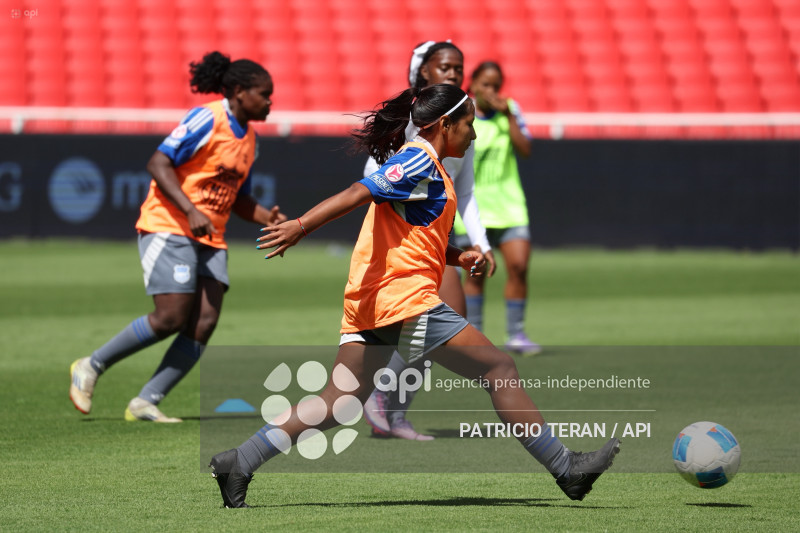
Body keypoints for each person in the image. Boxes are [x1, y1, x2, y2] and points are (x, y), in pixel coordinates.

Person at [209, 83, 620, 508]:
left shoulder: (431, 166)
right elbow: (358, 192)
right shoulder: (417, 159)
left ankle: (239, 461)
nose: (474, 133)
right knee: (499, 368)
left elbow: (415, 235)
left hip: (374, 300)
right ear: (445, 124)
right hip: (402, 298)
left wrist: (458, 257)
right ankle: (566, 469)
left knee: (338, 403)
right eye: (469, 124)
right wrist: (300, 226)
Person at [69, 51, 286, 422]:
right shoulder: (208, 118)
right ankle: (91, 365)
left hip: (210, 237)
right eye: (264, 94)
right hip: (169, 226)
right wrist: (190, 210)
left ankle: (146, 401)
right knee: (170, 316)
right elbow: (158, 163)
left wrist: (269, 218)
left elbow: (238, 198)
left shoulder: (251, 140)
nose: (270, 102)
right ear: (238, 91)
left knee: (204, 321)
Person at [362, 40, 496, 441]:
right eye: (445, 67)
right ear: (424, 72)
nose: (453, 73)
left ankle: (392, 409)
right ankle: (383, 397)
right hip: (405, 234)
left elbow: (466, 191)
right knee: (436, 323)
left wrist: (482, 243)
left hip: (438, 236)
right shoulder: (416, 120)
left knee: (444, 322)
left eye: (458, 67)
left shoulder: (462, 118)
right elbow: (373, 173)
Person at [454, 61, 541, 356]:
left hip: (509, 206)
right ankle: (476, 338)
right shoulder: (462, 112)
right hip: (472, 207)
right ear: (473, 84)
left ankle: (516, 334)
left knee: (519, 266)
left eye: (496, 85)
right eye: (485, 84)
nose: (491, 91)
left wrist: (509, 116)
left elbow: (526, 150)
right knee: (475, 273)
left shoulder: (510, 110)